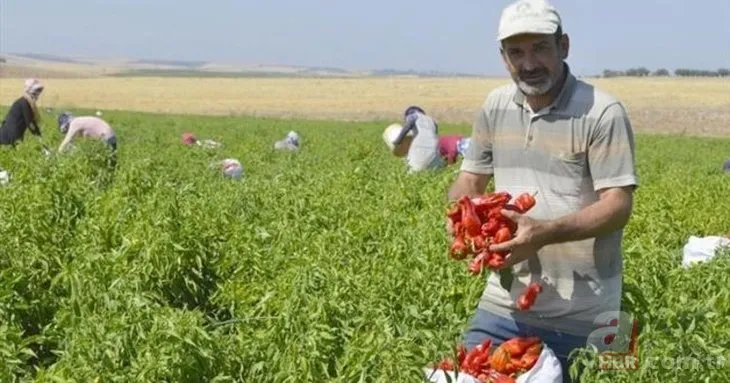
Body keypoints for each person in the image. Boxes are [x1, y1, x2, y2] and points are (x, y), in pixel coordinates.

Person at [446, 1, 638, 381]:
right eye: (517, 52)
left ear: (563, 46)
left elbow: (619, 204)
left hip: (587, 314)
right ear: (503, 58)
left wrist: (544, 233)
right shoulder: (496, 106)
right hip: (504, 306)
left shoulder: (602, 111)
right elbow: (470, 180)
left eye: (540, 48)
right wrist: (460, 217)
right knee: (458, 375)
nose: (529, 63)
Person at [392, 106, 444, 172]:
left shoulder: (413, 116)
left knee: (413, 171)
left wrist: (397, 141)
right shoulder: (431, 120)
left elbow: (406, 127)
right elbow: (434, 134)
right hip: (435, 150)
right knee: (433, 172)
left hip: (419, 149)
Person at [0, 78, 45, 147]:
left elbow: (32, 122)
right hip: (8, 138)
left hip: (11, 136)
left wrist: (39, 135)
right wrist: (40, 139)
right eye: (37, 91)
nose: (38, 94)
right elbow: (30, 123)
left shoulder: (26, 102)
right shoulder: (24, 103)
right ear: (30, 91)